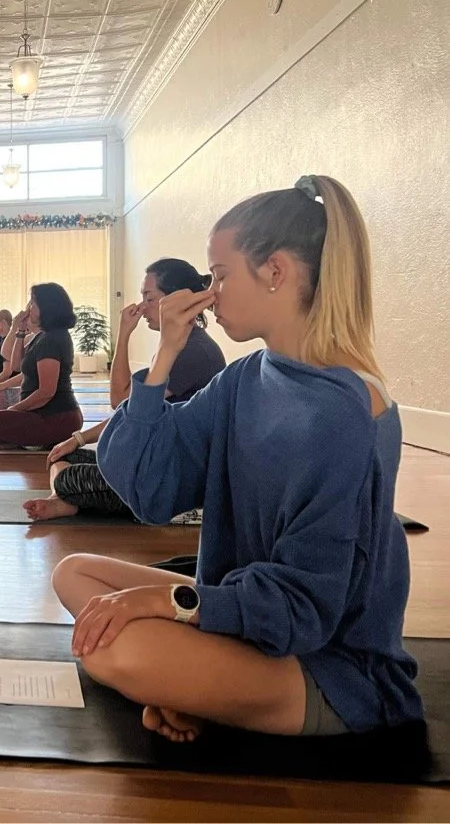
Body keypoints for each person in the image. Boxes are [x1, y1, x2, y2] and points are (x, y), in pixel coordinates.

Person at [53, 175, 422, 744]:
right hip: (240, 626)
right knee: (75, 573)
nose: (210, 292)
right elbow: (149, 490)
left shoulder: (346, 412)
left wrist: (168, 602)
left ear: (275, 272)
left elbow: (303, 608)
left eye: (220, 275)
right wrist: (164, 352)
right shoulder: (248, 376)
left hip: (324, 664)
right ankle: (194, 686)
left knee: (120, 651)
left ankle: (190, 686)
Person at [24, 258, 226, 521]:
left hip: (164, 475)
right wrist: (78, 439)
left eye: (149, 297)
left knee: (67, 477)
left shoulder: (193, 352)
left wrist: (123, 334)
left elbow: (119, 400)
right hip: (149, 452)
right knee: (63, 457)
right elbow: (131, 411)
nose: (142, 306)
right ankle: (66, 501)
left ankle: (66, 499)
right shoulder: (180, 344)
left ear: (176, 300)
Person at [0, 284, 83, 448]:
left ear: (46, 308)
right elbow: (17, 365)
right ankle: (19, 438)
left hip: (56, 416)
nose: (29, 308)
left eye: (33, 303)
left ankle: (24, 439)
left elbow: (46, 392)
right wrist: (20, 331)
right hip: (42, 413)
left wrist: (13, 409)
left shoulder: (51, 340)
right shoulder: (43, 336)